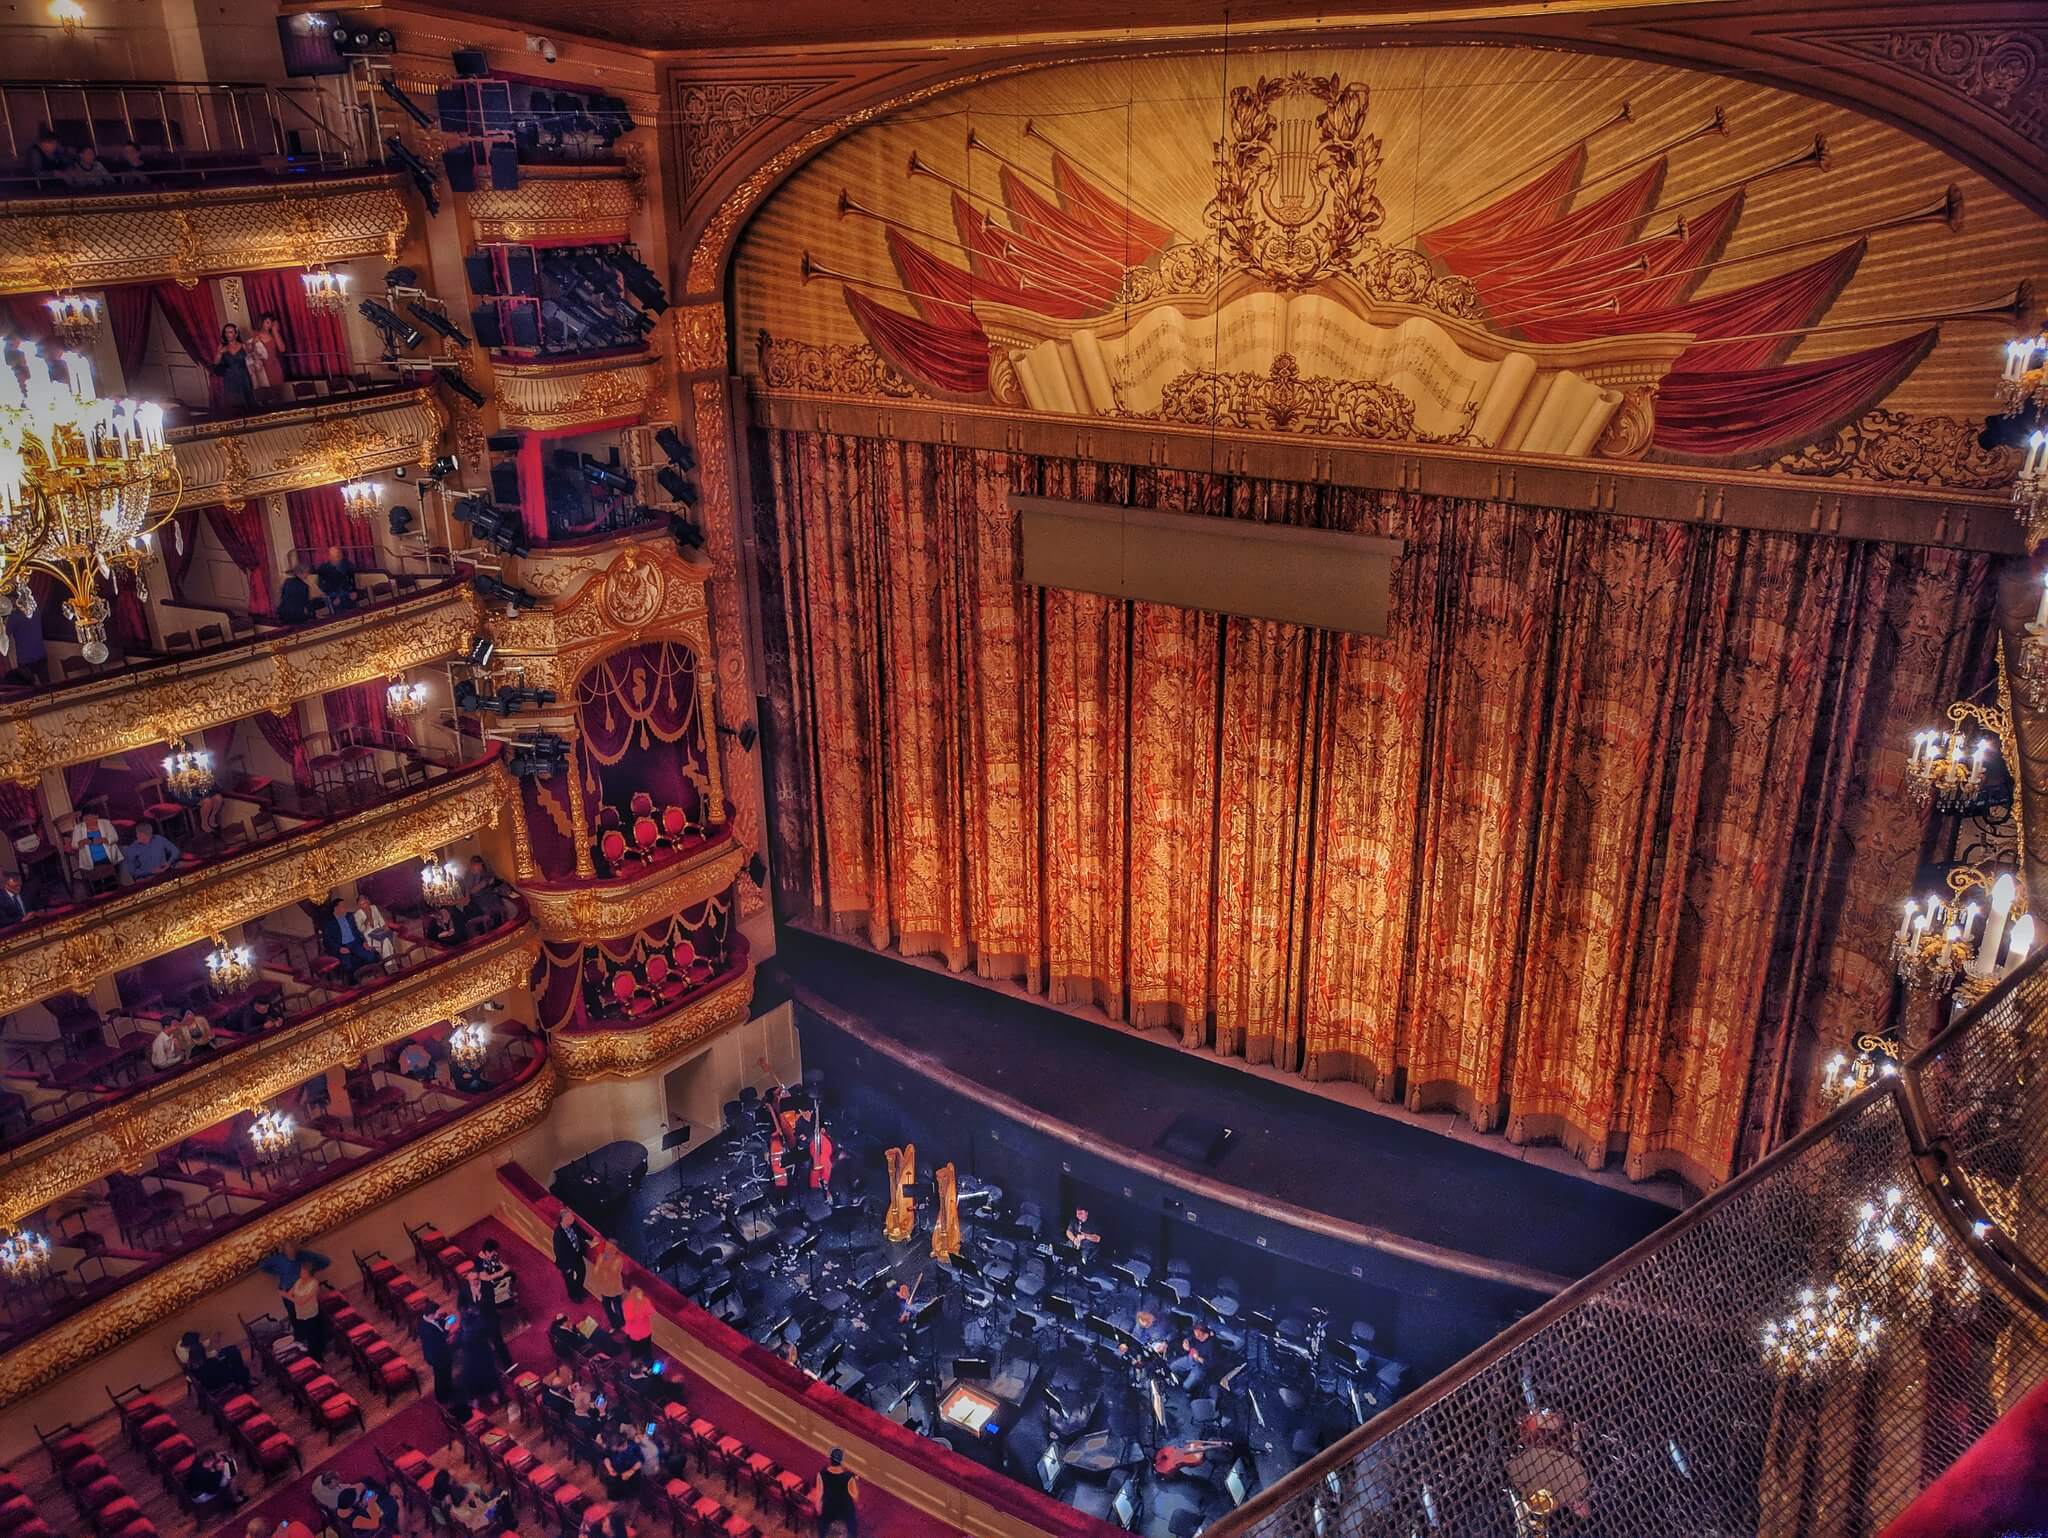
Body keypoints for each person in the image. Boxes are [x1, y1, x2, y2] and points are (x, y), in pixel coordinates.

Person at [460, 1264, 512, 1367]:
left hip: (490, 1320)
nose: (474, 1282)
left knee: (498, 1344)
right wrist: (466, 1311)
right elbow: (461, 1303)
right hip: (476, 1324)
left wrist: (479, 1296)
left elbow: (490, 1304)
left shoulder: (487, 1286)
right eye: (472, 1280)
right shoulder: (465, 1288)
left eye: (476, 1279)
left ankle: (508, 1365)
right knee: (482, 1347)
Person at [316, 895, 380, 975]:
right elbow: (328, 940)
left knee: (371, 956)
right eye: (343, 906)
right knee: (348, 965)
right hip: (343, 946)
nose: (346, 908)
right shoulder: (329, 923)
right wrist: (339, 949)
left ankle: (368, 974)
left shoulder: (350, 916)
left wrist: (363, 942)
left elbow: (357, 931)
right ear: (336, 908)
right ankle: (354, 984)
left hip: (355, 943)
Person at [455, 1301, 501, 1407]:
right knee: (488, 1374)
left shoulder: (466, 1325)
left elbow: (460, 1340)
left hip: (472, 1356)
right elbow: (487, 1332)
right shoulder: (478, 1322)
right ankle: (492, 1394)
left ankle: (476, 1398)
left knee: (473, 1378)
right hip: (481, 1354)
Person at [177, 1329, 253, 1393]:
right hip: (213, 1383)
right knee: (240, 1369)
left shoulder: (193, 1360)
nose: (200, 1342)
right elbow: (218, 1369)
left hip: (208, 1381)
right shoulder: (201, 1358)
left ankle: (245, 1381)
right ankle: (246, 1385)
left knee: (233, 1360)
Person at [284, 1255, 327, 1360]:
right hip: (301, 1314)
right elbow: (290, 1293)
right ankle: (314, 1354)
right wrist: (291, 1297)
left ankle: (317, 1357)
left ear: (309, 1273)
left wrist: (291, 1297)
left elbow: (301, 1301)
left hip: (311, 1313)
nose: (300, 1273)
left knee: (314, 1336)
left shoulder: (313, 1284)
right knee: (308, 1336)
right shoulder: (299, 1281)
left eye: (303, 1271)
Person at [69, 808, 127, 883]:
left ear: (96, 816)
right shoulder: (78, 828)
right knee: (96, 876)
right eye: (85, 818)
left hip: (108, 858)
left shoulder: (105, 823)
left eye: (90, 817)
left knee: (111, 875)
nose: (88, 820)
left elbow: (115, 837)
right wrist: (82, 842)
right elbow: (74, 845)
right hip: (91, 861)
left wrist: (104, 840)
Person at [812, 1448, 859, 1538]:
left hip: (829, 1506)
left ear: (830, 1460)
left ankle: (822, 1535)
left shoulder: (821, 1474)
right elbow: (855, 1497)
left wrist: (819, 1508)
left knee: (822, 1525)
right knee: (852, 1525)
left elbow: (819, 1493)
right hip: (844, 1507)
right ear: (841, 1461)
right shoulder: (849, 1477)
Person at [461, 855, 511, 931]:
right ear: (472, 865)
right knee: (487, 909)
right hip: (478, 897)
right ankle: (493, 928)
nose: (478, 867)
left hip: (489, 893)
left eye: (480, 865)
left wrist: (491, 882)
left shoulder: (485, 871)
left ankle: (501, 926)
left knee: (498, 904)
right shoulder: (469, 875)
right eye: (476, 865)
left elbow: (493, 879)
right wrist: (482, 884)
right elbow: (470, 891)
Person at [212, 324, 256, 412]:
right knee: (233, 402)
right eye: (226, 332)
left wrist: (253, 343)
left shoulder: (243, 345)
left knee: (247, 401)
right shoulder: (222, 346)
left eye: (230, 332)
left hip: (243, 376)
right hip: (229, 377)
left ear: (236, 334)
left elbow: (251, 354)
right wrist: (220, 352)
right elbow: (216, 362)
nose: (227, 334)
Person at [183, 1448, 240, 1512]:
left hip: (192, 1489)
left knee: (226, 1477)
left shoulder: (197, 1462)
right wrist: (219, 1471)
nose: (216, 1462)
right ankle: (234, 1500)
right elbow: (212, 1490)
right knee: (228, 1479)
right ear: (209, 1462)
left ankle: (234, 1494)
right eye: (215, 1461)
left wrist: (221, 1455)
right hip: (200, 1496)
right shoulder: (205, 1475)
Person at [589, 1237, 626, 1330]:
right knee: (607, 1309)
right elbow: (596, 1270)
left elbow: (612, 1273)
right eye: (607, 1247)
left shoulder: (619, 1259)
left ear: (615, 1250)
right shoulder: (602, 1256)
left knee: (618, 1308)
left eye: (610, 1248)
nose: (607, 1250)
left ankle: (622, 1322)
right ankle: (614, 1324)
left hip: (615, 1290)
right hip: (604, 1289)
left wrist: (603, 1267)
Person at [419, 1307, 455, 1402]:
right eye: (437, 1313)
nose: (438, 1315)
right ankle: (442, 1397)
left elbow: (439, 1323)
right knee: (440, 1376)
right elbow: (440, 1340)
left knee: (447, 1373)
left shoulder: (430, 1320)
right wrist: (446, 1330)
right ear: (431, 1314)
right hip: (437, 1356)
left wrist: (446, 1320)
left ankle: (449, 1390)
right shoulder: (426, 1328)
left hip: (443, 1353)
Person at [352, 893, 396, 965]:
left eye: (365, 902)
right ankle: (390, 965)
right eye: (361, 904)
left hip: (379, 932)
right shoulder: (357, 914)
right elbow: (361, 930)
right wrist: (367, 919)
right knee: (386, 942)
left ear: (368, 901)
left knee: (386, 942)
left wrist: (384, 926)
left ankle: (390, 965)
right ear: (358, 905)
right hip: (369, 936)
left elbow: (381, 920)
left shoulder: (374, 907)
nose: (363, 905)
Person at [599, 1424, 640, 1500]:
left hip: (620, 1475)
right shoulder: (616, 1446)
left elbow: (605, 1456)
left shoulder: (612, 1444)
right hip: (624, 1476)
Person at [1172, 1322, 1214, 1395]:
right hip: (1191, 1359)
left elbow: (1211, 1364)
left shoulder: (1211, 1346)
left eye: (1198, 1335)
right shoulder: (1196, 1336)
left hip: (1201, 1367)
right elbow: (1189, 1338)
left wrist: (1199, 1358)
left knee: (1186, 1386)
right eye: (1195, 1333)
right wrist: (1186, 1342)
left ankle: (1187, 1394)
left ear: (1205, 1334)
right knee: (1172, 1367)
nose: (1196, 1336)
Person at [315, 545, 359, 612]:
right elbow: (321, 584)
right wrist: (332, 597)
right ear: (330, 557)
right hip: (334, 596)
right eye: (335, 556)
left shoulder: (347, 564)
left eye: (339, 554)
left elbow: (352, 579)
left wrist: (353, 591)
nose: (338, 557)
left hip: (348, 594)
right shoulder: (323, 568)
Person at [247, 312, 280, 400]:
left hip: (275, 367)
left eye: (271, 323)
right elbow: (249, 351)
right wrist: (254, 342)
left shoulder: (273, 335)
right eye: (267, 322)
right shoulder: (255, 334)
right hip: (263, 368)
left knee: (278, 394)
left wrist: (275, 332)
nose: (269, 325)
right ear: (261, 322)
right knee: (266, 395)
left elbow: (282, 349)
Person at [621, 1284, 654, 1363]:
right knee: (647, 1348)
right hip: (646, 1330)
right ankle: (648, 1362)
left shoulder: (627, 1304)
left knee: (635, 1350)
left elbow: (628, 1318)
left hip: (634, 1333)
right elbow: (651, 1312)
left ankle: (637, 1364)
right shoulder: (645, 1301)